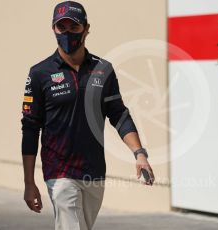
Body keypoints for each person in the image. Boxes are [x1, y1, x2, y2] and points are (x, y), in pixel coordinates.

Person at [21, 1, 155, 229]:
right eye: (61, 28)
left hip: (94, 171)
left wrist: (139, 154)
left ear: (86, 28)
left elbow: (119, 115)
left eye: (73, 28)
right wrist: (29, 182)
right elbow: (31, 129)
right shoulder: (39, 73)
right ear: (53, 29)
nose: (67, 33)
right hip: (59, 171)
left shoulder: (103, 70)